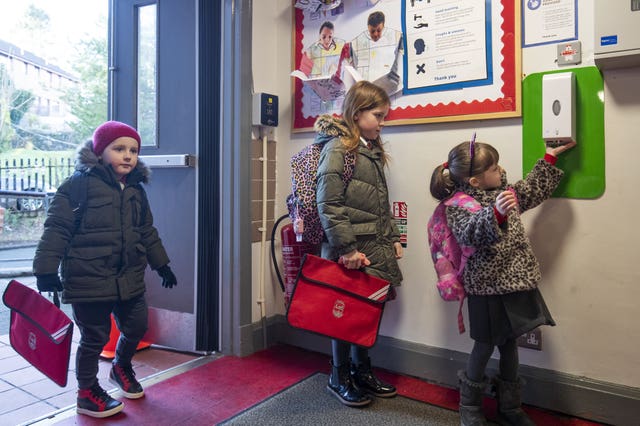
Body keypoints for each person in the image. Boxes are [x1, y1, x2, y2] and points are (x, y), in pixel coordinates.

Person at [33, 121, 177, 418]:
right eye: (119, 149)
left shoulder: (136, 189)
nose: (127, 156)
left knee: (136, 326)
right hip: (88, 277)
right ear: (100, 152)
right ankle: (87, 392)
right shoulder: (78, 185)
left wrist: (161, 263)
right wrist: (45, 270)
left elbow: (146, 230)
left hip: (129, 276)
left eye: (133, 151)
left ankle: (121, 366)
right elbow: (57, 228)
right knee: (94, 338)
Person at [429, 137, 577, 426]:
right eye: (494, 168)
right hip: (484, 287)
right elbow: (470, 234)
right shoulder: (457, 206)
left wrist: (549, 158)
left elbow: (531, 191)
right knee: (483, 346)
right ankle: (469, 407)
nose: (501, 170)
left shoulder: (504, 191)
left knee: (510, 345)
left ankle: (510, 406)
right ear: (474, 181)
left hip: (515, 283)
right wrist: (495, 212)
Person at [315, 80, 404, 407]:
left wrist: (392, 236)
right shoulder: (338, 149)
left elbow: (381, 202)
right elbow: (329, 203)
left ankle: (361, 371)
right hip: (349, 250)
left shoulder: (370, 150)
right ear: (357, 113)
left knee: (364, 313)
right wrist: (347, 249)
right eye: (378, 115)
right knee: (343, 315)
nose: (382, 122)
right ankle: (338, 376)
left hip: (372, 245)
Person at [350, 11, 403, 93]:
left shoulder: (395, 36)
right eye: (372, 31)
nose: (375, 34)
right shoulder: (356, 42)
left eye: (379, 30)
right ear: (368, 28)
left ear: (383, 27)